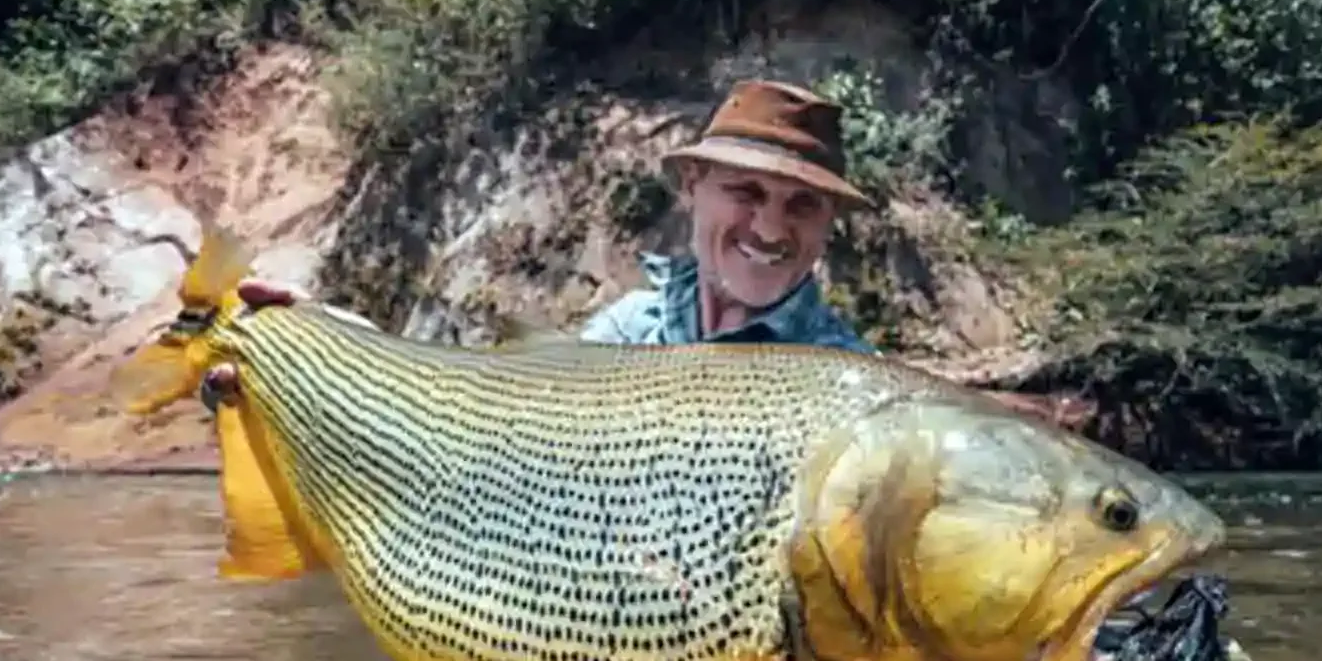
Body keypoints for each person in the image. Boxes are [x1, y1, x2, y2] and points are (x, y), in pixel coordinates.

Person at [198, 79, 1086, 427]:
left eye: (803, 205)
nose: (770, 228)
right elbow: (483, 407)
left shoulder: (850, 386)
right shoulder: (627, 329)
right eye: (745, 192)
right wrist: (324, 344)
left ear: (826, 228)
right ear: (691, 189)